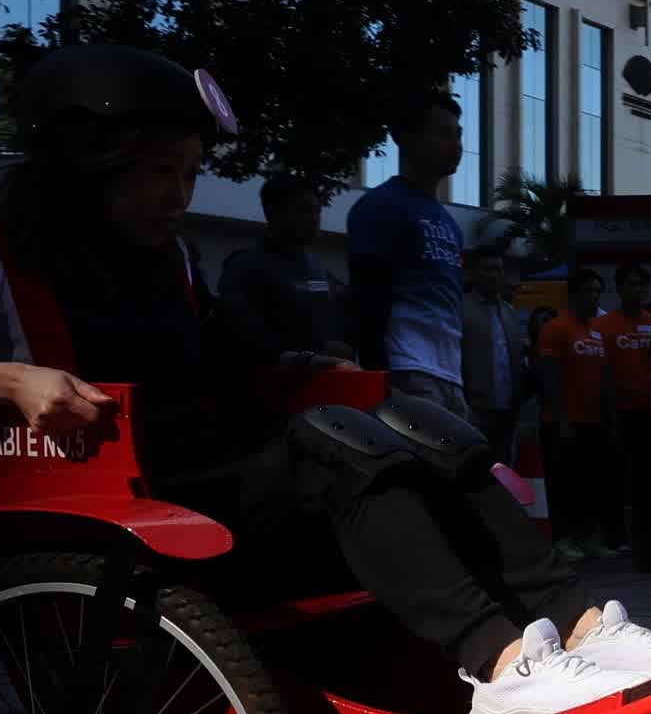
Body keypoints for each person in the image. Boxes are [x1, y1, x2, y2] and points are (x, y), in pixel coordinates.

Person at [0, 45, 651, 714]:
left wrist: (299, 366)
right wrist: (0, 381)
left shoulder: (174, 264)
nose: (176, 195)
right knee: (329, 447)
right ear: (87, 166)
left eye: (189, 174)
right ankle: (500, 660)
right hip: (97, 533)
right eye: (158, 172)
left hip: (207, 508)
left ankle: (580, 623)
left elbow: (233, 353)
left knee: (415, 423)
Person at [347, 91, 469, 416]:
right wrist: (379, 376)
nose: (456, 144)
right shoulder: (381, 206)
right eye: (443, 133)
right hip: (406, 371)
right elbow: (366, 295)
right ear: (406, 139)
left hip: (450, 377)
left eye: (459, 134)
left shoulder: (450, 224)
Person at [219, 175, 350, 374]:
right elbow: (242, 338)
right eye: (304, 210)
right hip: (269, 388)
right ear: (272, 213)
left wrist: (329, 346)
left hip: (321, 382)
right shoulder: (245, 267)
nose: (314, 218)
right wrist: (302, 358)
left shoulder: (317, 267)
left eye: (317, 210)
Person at [537, 268, 620, 559]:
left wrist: (611, 420)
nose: (593, 297)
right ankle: (562, 539)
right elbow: (551, 378)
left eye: (598, 291)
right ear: (573, 295)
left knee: (592, 483)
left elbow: (607, 377)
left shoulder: (599, 331)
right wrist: (562, 422)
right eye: (588, 291)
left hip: (595, 420)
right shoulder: (556, 328)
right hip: (564, 421)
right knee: (564, 484)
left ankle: (588, 538)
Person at [599, 266, 651, 571]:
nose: (638, 290)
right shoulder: (602, 326)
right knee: (612, 479)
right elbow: (600, 374)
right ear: (619, 288)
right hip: (616, 411)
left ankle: (646, 538)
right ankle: (614, 538)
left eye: (642, 285)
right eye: (632, 284)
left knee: (648, 481)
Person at [459, 243, 534, 463]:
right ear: (472, 273)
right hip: (473, 409)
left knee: (502, 467)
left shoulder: (509, 313)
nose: (494, 275)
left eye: (499, 269)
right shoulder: (459, 308)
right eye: (488, 269)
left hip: (508, 410)